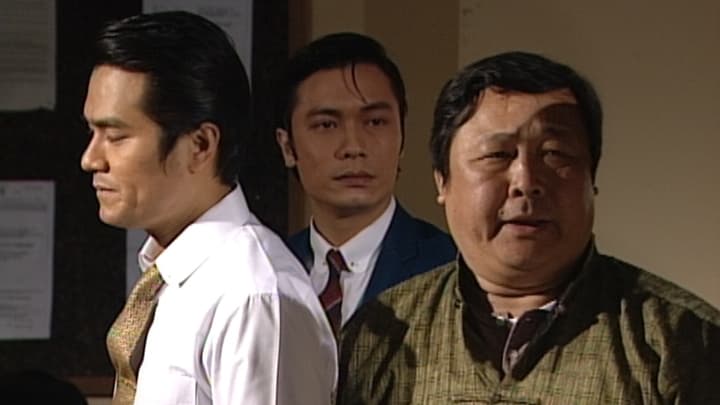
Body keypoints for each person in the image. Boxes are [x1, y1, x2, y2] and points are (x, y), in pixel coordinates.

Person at [338, 51, 720, 404]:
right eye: (497, 154)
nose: (526, 180)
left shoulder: (680, 338)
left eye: (554, 154)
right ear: (443, 180)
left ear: (592, 177)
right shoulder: (379, 335)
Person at [81, 11, 336, 405]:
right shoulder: (169, 280)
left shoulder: (254, 297)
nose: (91, 159)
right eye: (92, 132)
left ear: (200, 145)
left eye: (115, 136)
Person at [274, 32, 456, 332]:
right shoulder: (268, 268)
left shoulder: (451, 268)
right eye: (327, 125)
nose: (354, 147)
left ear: (402, 138)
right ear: (287, 147)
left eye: (375, 122)